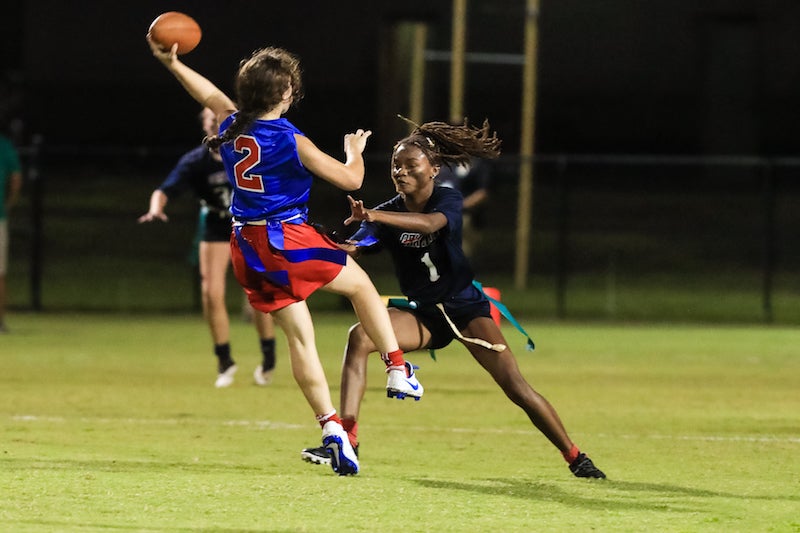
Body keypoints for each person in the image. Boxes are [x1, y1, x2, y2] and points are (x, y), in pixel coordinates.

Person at [147, 37, 423, 476]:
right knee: (361, 287)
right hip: (285, 238)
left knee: (299, 338)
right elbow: (351, 180)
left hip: (247, 248)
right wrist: (354, 151)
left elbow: (206, 94)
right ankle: (396, 367)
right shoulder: (290, 138)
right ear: (287, 92)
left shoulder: (231, 123)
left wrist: (171, 62)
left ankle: (332, 429)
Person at [300, 119, 606, 479]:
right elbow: (354, 246)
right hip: (425, 315)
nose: (400, 171)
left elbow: (430, 224)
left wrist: (375, 215)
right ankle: (348, 437)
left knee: (516, 387)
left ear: (433, 169)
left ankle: (575, 456)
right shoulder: (385, 212)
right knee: (360, 337)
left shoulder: (447, 197)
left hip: (465, 309)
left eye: (410, 165)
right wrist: (321, 243)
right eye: (396, 165)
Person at [138, 108, 278, 388]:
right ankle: (225, 360)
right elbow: (164, 190)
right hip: (216, 223)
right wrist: (156, 209)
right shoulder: (197, 161)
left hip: (250, 224)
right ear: (204, 125)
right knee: (211, 292)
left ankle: (268, 357)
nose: (216, 123)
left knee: (259, 295)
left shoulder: (246, 151)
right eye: (210, 119)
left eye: (220, 119)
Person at [434, 155, 490, 260]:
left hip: (464, 216)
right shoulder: (445, 165)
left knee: (461, 257)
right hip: (440, 216)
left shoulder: (477, 164)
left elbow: (482, 193)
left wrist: (460, 206)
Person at [0, 133, 22, 333]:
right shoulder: (5, 146)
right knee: (0, 272)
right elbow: (16, 179)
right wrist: (9, 204)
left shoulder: (5, 146)